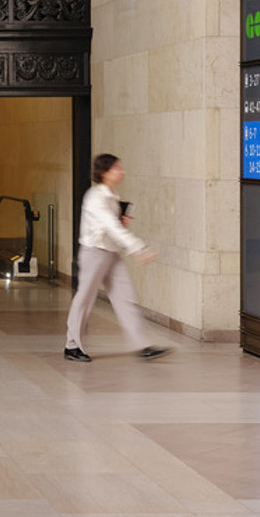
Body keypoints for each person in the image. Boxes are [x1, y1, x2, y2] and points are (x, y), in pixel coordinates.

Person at [63, 152, 167, 361]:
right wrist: (139, 248)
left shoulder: (112, 195)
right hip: (94, 253)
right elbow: (110, 227)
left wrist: (123, 222)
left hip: (111, 253)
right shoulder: (96, 197)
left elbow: (113, 227)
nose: (122, 171)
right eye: (117, 168)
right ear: (104, 173)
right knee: (85, 298)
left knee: (125, 297)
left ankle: (142, 345)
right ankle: (72, 346)